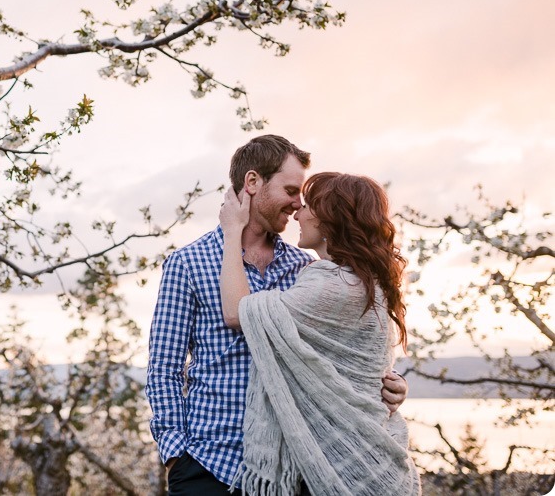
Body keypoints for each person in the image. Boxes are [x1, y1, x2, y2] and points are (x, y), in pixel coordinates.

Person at [145, 135, 408, 495]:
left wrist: (386, 382)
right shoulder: (187, 263)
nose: (298, 204)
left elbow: (335, 354)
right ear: (252, 183)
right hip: (209, 465)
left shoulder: (306, 267)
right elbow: (164, 368)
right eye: (290, 190)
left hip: (290, 472)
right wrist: (176, 457)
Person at [219, 172, 420, 495]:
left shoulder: (334, 285)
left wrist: (232, 232)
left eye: (309, 205)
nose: (297, 211)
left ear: (330, 220)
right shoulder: (366, 282)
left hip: (348, 467)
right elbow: (351, 364)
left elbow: (237, 311)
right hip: (369, 457)